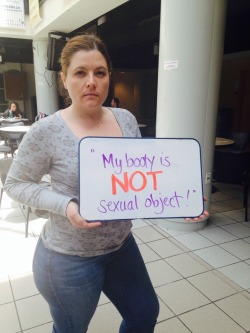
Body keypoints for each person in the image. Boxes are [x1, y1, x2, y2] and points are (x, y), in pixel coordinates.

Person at [5, 33, 208, 333]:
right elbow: (16, 184)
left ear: (109, 77)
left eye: (100, 73)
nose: (91, 82)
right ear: (63, 79)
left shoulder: (125, 120)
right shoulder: (45, 131)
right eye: (80, 73)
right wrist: (66, 205)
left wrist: (180, 203)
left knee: (144, 314)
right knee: (71, 329)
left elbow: (140, 187)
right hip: (68, 257)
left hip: (120, 246)